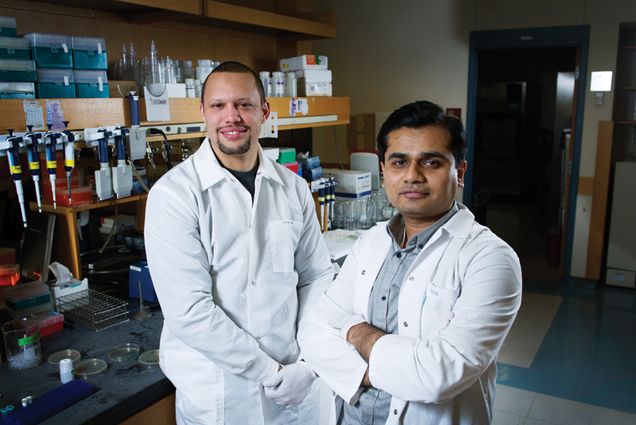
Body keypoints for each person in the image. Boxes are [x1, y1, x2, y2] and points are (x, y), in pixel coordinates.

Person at [300, 100, 522, 425]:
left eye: (430, 162)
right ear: (383, 170)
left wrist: (355, 332)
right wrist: (380, 372)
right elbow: (313, 331)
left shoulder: (490, 259)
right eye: (399, 162)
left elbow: (438, 375)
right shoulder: (371, 242)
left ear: (459, 172)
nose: (412, 176)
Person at [144, 61, 333, 425]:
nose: (232, 117)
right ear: (203, 113)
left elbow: (316, 277)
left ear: (264, 112)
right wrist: (268, 371)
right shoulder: (174, 195)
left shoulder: (293, 188)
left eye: (244, 105)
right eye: (218, 106)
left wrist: (307, 363)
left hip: (293, 390)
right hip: (219, 396)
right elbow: (189, 312)